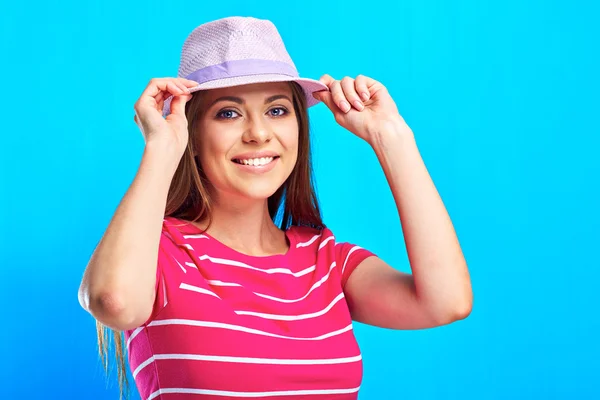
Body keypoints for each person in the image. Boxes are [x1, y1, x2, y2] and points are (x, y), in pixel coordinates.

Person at [78, 16, 472, 400]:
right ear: (192, 135)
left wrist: (392, 138)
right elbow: (113, 302)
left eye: (277, 110)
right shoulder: (158, 251)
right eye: (228, 113)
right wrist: (162, 147)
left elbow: (446, 302)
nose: (259, 133)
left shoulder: (326, 262)